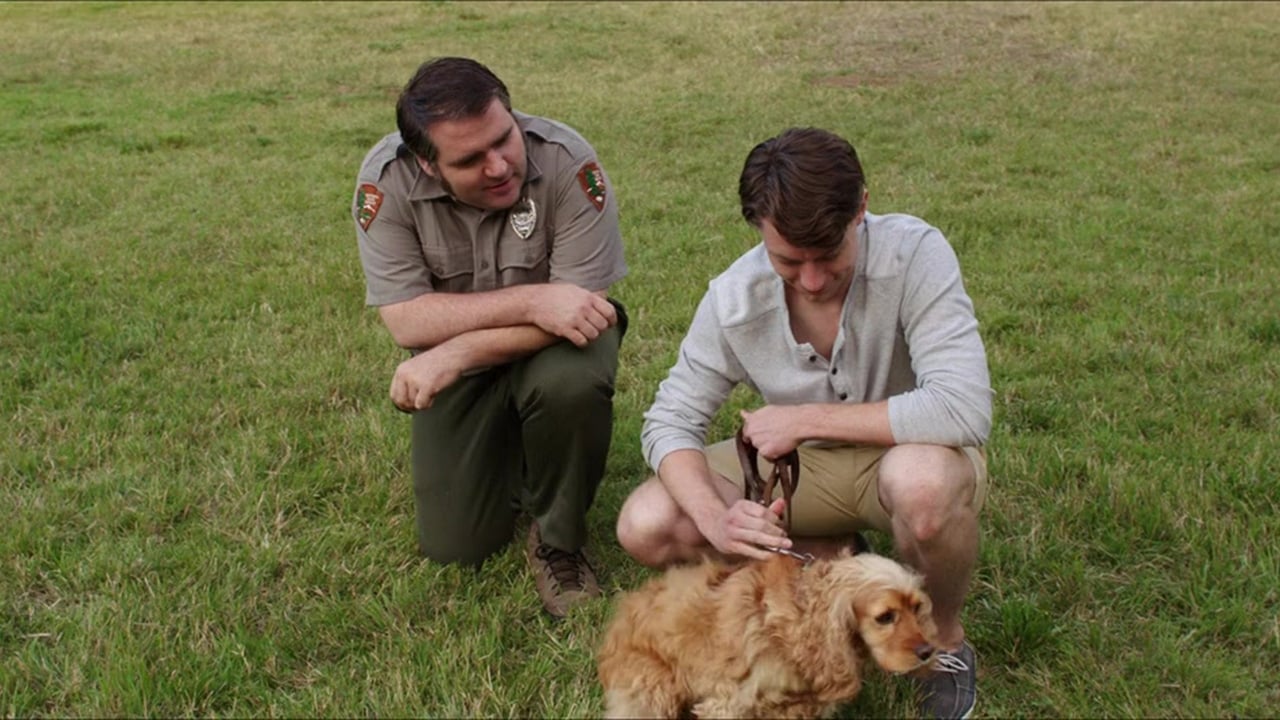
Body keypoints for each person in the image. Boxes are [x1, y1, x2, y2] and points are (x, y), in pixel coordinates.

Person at [615, 127, 992, 719]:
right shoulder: (734, 297)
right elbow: (669, 421)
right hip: (799, 472)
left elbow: (964, 406)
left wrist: (805, 417)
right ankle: (826, 556)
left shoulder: (916, 254)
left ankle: (943, 640)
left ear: (861, 208)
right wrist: (716, 519)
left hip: (906, 454)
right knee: (647, 522)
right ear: (758, 230)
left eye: (829, 255)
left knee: (923, 491)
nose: (812, 280)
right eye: (789, 260)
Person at [351, 57, 628, 619]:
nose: (499, 165)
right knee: (457, 547)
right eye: (469, 160)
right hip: (467, 372)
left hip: (556, 349)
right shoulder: (386, 184)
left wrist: (461, 349)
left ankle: (559, 540)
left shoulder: (568, 161)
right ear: (428, 165)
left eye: (504, 139)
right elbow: (407, 320)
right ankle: (519, 453)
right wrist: (532, 301)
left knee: (571, 382)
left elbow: (580, 310)